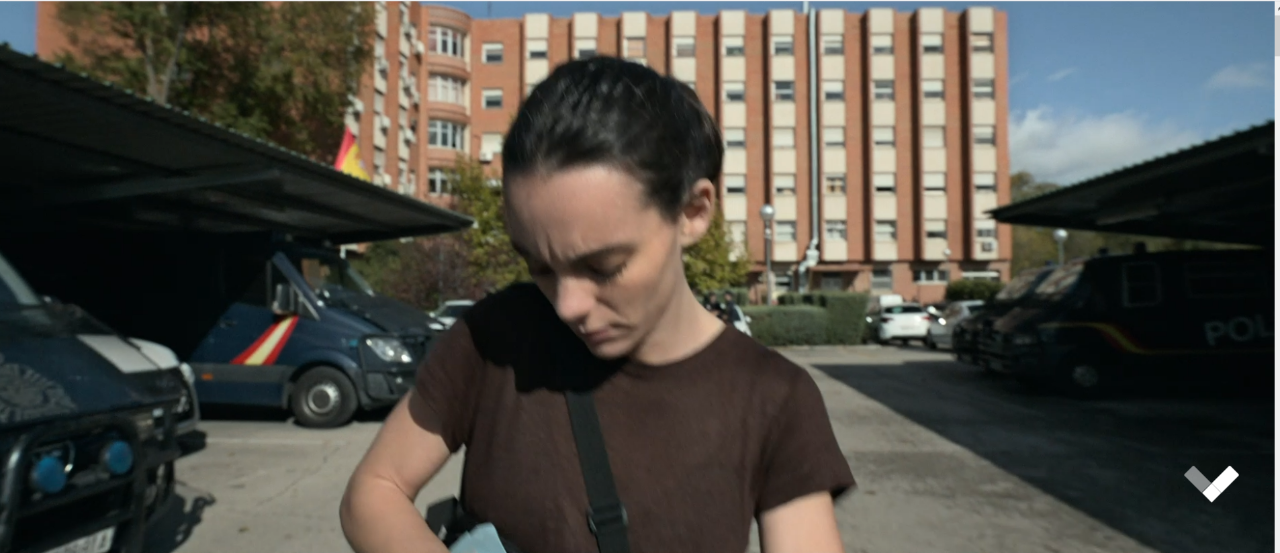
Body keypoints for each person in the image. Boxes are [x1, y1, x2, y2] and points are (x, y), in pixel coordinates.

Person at [340, 57, 854, 553]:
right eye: (539, 266)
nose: (568, 305)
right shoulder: (495, 340)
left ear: (693, 212)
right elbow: (374, 492)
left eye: (603, 267)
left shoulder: (774, 397)